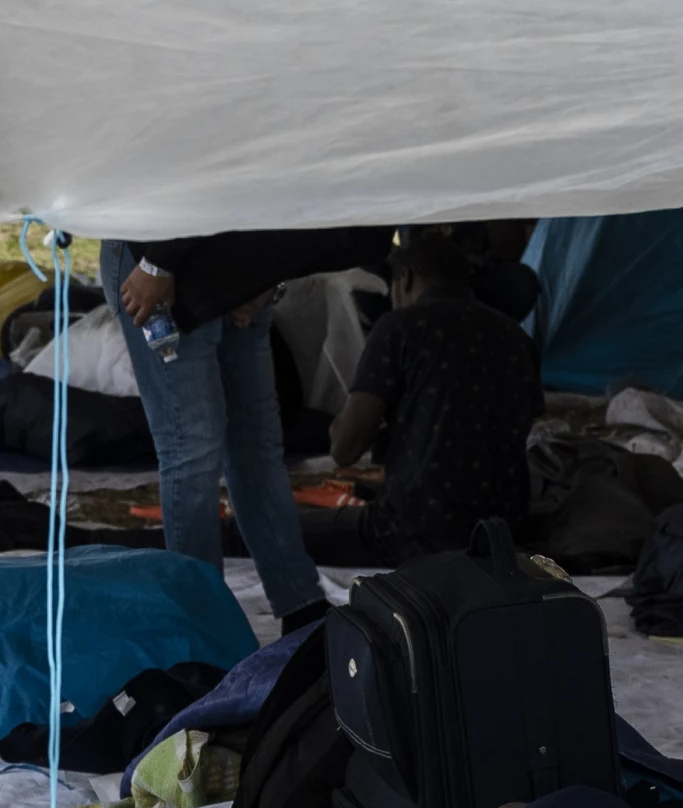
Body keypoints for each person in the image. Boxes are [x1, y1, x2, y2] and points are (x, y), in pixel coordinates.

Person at [107, 226, 388, 629]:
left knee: (256, 444)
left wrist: (267, 279)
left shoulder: (353, 216)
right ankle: (199, 621)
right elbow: (184, 171)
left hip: (232, 256)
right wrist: (157, 261)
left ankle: (299, 601)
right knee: (193, 446)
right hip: (157, 251)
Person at [330, 224, 542, 557]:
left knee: (271, 530)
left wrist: (343, 424)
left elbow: (344, 451)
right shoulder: (517, 338)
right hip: (502, 529)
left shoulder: (398, 328)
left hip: (416, 527)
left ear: (406, 279)